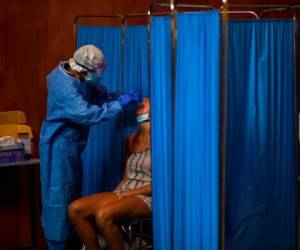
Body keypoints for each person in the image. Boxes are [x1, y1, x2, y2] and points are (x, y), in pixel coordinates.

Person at [39, 44, 140, 250]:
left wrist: (120, 97)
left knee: (71, 197)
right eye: (97, 72)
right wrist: (120, 105)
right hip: (58, 147)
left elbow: (98, 94)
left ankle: (71, 242)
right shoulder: (64, 86)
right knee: (58, 200)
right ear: (83, 69)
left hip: (72, 146)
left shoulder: (80, 75)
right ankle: (57, 245)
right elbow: (87, 114)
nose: (98, 76)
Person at [68, 98, 152, 250]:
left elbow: (157, 186)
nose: (140, 103)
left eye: (147, 102)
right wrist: (115, 194)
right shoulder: (130, 139)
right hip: (125, 190)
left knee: (103, 214)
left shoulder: (162, 141)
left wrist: (126, 195)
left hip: (147, 196)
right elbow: (126, 176)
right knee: (75, 209)